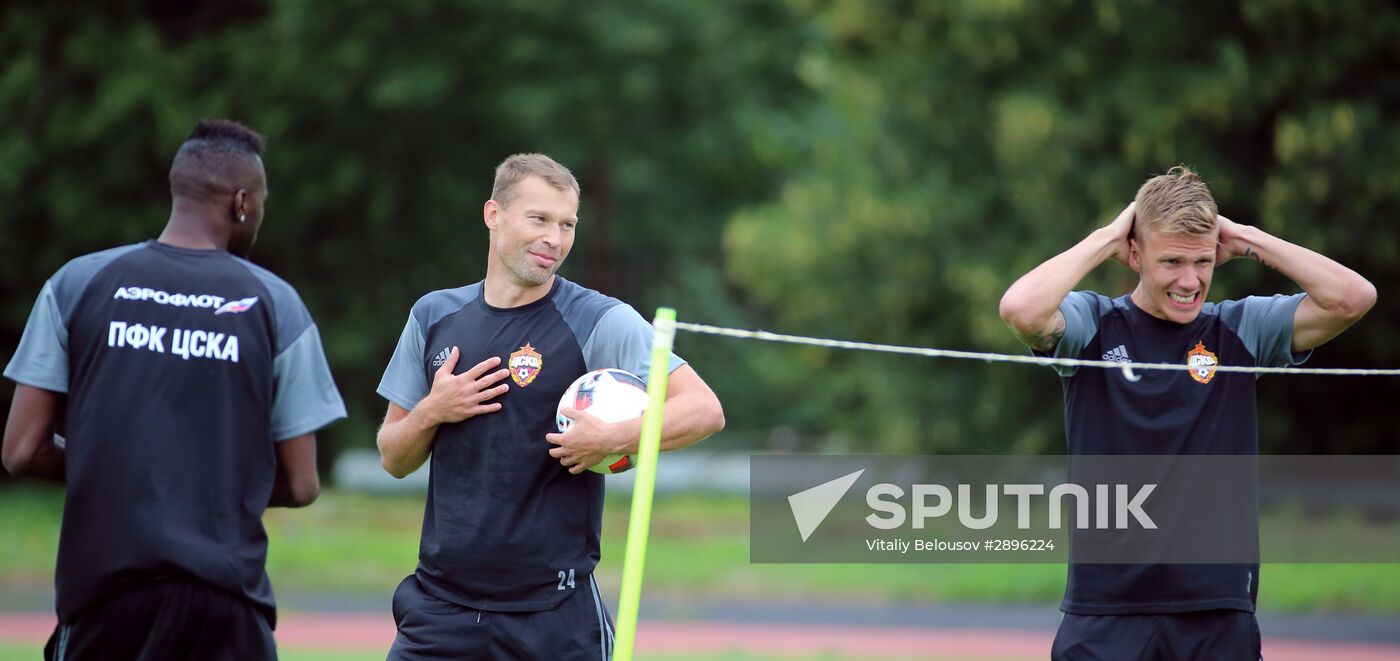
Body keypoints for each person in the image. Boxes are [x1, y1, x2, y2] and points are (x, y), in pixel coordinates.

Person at [2, 119, 347, 661]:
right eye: (260, 201)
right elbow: (301, 483)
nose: (258, 212)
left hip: (104, 597)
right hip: (226, 604)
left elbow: (22, 450)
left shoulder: (77, 282)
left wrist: (128, 475)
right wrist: (203, 485)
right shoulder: (277, 305)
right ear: (240, 203)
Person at [999, 166, 1376, 660]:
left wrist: (1249, 238)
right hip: (1106, 613)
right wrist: (1105, 238)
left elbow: (1353, 298)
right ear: (1134, 254)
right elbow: (1020, 309)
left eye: (1202, 262)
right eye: (1172, 260)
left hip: (1217, 615)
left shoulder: (1240, 330)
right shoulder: (1094, 326)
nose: (1189, 280)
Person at [375, 153, 725, 660]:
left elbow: (704, 409)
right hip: (439, 613)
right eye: (539, 219)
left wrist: (617, 436)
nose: (555, 239)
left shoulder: (600, 320)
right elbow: (393, 457)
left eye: (567, 225)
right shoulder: (434, 315)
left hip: (553, 619)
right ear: (493, 215)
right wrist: (432, 410)